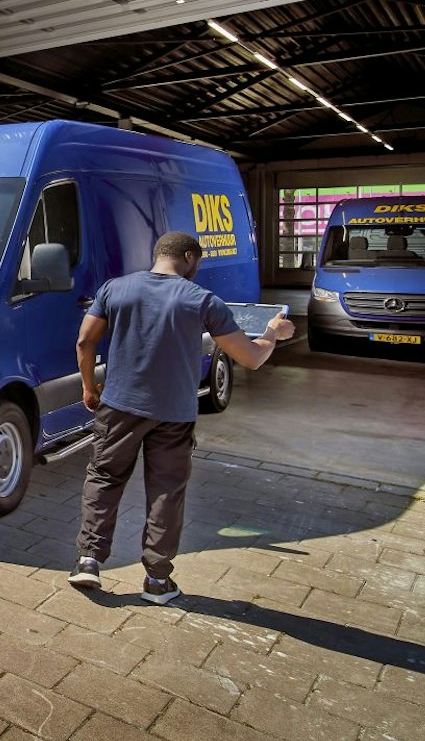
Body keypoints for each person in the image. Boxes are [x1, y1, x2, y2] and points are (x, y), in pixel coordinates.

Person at [68, 231, 294, 604]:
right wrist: (273, 332)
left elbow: (84, 341)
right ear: (189, 256)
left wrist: (89, 388)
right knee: (166, 491)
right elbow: (251, 358)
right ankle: (157, 582)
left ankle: (89, 560)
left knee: (105, 479)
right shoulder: (203, 300)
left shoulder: (115, 289)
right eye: (198, 261)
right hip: (173, 413)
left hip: (119, 406)